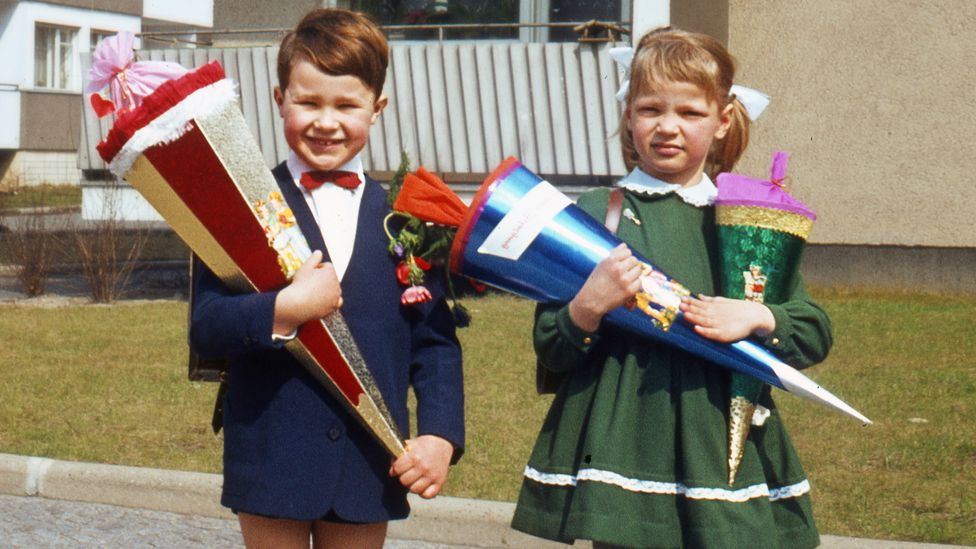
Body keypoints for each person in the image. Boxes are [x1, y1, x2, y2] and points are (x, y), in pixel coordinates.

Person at [510, 27, 832, 549]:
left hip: (723, 452)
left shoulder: (749, 222)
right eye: (650, 109)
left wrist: (758, 319)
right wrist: (588, 308)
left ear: (723, 120)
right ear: (628, 115)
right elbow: (552, 345)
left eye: (689, 113)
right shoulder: (597, 215)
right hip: (623, 453)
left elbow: (813, 331)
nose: (667, 127)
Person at [189, 8, 464, 548]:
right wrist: (283, 309)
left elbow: (434, 343)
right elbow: (207, 325)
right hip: (272, 457)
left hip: (369, 459)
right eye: (308, 102)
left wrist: (439, 435)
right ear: (279, 100)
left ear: (377, 108)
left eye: (346, 105)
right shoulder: (239, 211)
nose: (326, 121)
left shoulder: (407, 220)